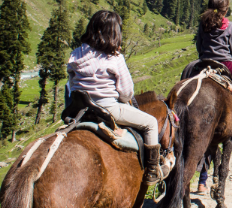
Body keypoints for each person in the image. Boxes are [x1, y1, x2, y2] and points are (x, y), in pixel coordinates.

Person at [67, 10, 164, 186]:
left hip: (79, 109)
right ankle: (152, 171)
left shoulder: (76, 54)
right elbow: (127, 93)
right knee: (150, 123)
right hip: (108, 108)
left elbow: (71, 83)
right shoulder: (115, 58)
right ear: (113, 33)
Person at [195, 0, 232, 194]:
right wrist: (228, 57)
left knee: (186, 79)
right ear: (225, 10)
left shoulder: (203, 23)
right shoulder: (229, 25)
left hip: (203, 63)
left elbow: (199, 45)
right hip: (224, 63)